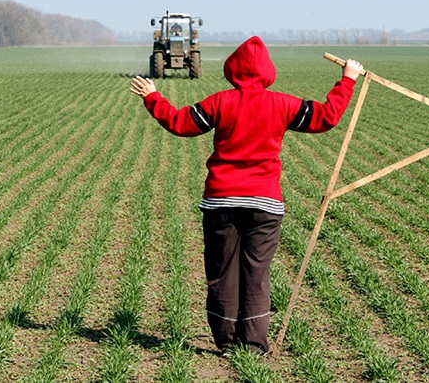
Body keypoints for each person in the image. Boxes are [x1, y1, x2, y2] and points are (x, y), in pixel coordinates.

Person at [130, 35, 363, 356]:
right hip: (265, 205)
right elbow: (326, 117)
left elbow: (181, 123)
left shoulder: (220, 101)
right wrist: (347, 80)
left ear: (232, 69)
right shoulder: (282, 104)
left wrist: (154, 97)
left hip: (220, 203)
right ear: (268, 72)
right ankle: (253, 345)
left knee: (222, 274)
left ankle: (226, 343)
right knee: (256, 274)